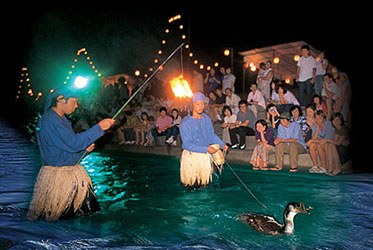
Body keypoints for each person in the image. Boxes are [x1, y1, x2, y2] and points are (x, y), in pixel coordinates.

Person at [27, 86, 115, 221]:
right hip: (60, 178)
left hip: (68, 173)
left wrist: (84, 151)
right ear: (61, 100)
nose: (76, 106)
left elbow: (67, 150)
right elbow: (73, 144)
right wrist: (99, 127)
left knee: (90, 213)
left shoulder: (59, 120)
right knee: (66, 218)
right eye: (74, 102)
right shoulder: (51, 119)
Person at [179, 92, 229, 188]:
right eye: (198, 104)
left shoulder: (206, 118)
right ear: (192, 105)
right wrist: (206, 149)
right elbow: (187, 144)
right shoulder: (186, 123)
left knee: (209, 183)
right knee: (193, 185)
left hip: (205, 155)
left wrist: (222, 145)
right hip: (192, 157)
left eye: (203, 104)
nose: (201, 106)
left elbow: (211, 135)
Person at [307, 110, 335, 174]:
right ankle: (315, 166)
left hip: (330, 143)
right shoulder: (315, 125)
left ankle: (324, 167)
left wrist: (312, 140)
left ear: (324, 118)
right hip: (320, 143)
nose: (317, 120)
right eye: (316, 118)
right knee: (312, 145)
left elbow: (327, 139)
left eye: (320, 118)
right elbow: (314, 138)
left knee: (318, 144)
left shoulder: (329, 124)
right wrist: (317, 127)